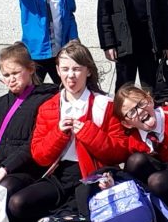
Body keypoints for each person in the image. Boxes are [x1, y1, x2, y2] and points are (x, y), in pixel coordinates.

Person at [0, 43, 60, 222]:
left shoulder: (44, 99)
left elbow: (32, 143)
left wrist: (5, 169)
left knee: (2, 192)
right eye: (6, 75)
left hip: (25, 170)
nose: (11, 79)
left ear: (30, 69)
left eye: (15, 73)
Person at [31, 40, 131, 180]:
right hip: (56, 175)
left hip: (93, 173)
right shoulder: (47, 107)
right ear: (58, 71)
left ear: (88, 71)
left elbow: (120, 153)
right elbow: (39, 156)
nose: (70, 75)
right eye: (65, 69)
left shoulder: (105, 105)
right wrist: (58, 133)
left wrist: (89, 133)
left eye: (77, 69)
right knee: (20, 196)